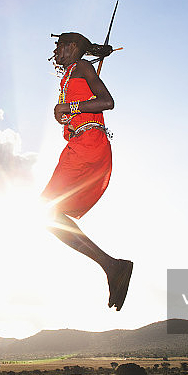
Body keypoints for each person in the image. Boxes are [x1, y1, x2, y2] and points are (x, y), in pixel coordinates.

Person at [41, 32, 133, 310]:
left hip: (89, 142)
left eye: (58, 46)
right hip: (80, 143)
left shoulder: (81, 67)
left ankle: (113, 267)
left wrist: (71, 107)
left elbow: (107, 101)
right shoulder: (71, 74)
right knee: (48, 214)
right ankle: (112, 267)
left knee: (46, 212)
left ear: (72, 47)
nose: (55, 51)